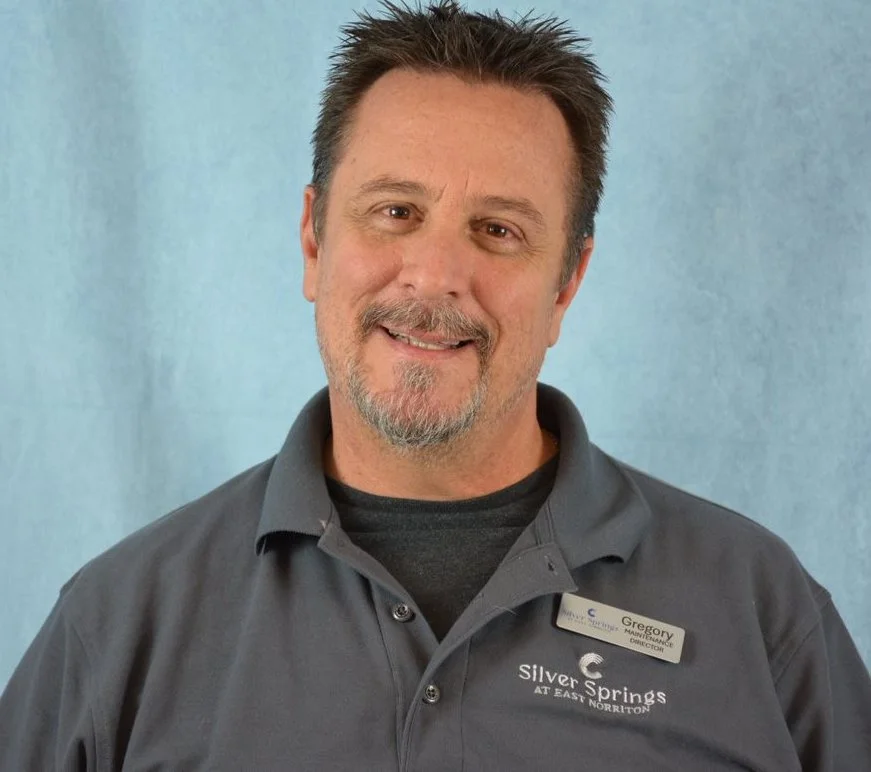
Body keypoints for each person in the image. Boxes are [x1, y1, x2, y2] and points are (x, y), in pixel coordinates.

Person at [2, 1, 869, 769]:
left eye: (497, 229)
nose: (435, 277)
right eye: (395, 212)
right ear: (313, 241)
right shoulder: (119, 625)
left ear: (567, 281)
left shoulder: (762, 614)